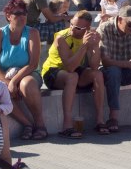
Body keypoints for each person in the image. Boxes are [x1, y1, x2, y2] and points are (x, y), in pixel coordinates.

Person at [41, 10, 107, 138]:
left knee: (98, 74)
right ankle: (67, 125)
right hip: (53, 72)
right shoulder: (61, 38)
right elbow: (70, 67)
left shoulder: (88, 36)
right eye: (71, 24)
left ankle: (100, 120)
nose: (72, 28)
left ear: (87, 28)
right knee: (72, 76)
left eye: (77, 27)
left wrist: (95, 46)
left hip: (74, 69)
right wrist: (84, 46)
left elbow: (94, 66)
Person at [0, 0, 47, 141]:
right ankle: (27, 124)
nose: (22, 17)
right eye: (17, 13)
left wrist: (13, 82)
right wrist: (7, 82)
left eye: (24, 13)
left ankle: (40, 125)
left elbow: (33, 64)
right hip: (2, 75)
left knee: (26, 84)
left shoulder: (33, 33)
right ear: (8, 16)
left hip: (29, 73)